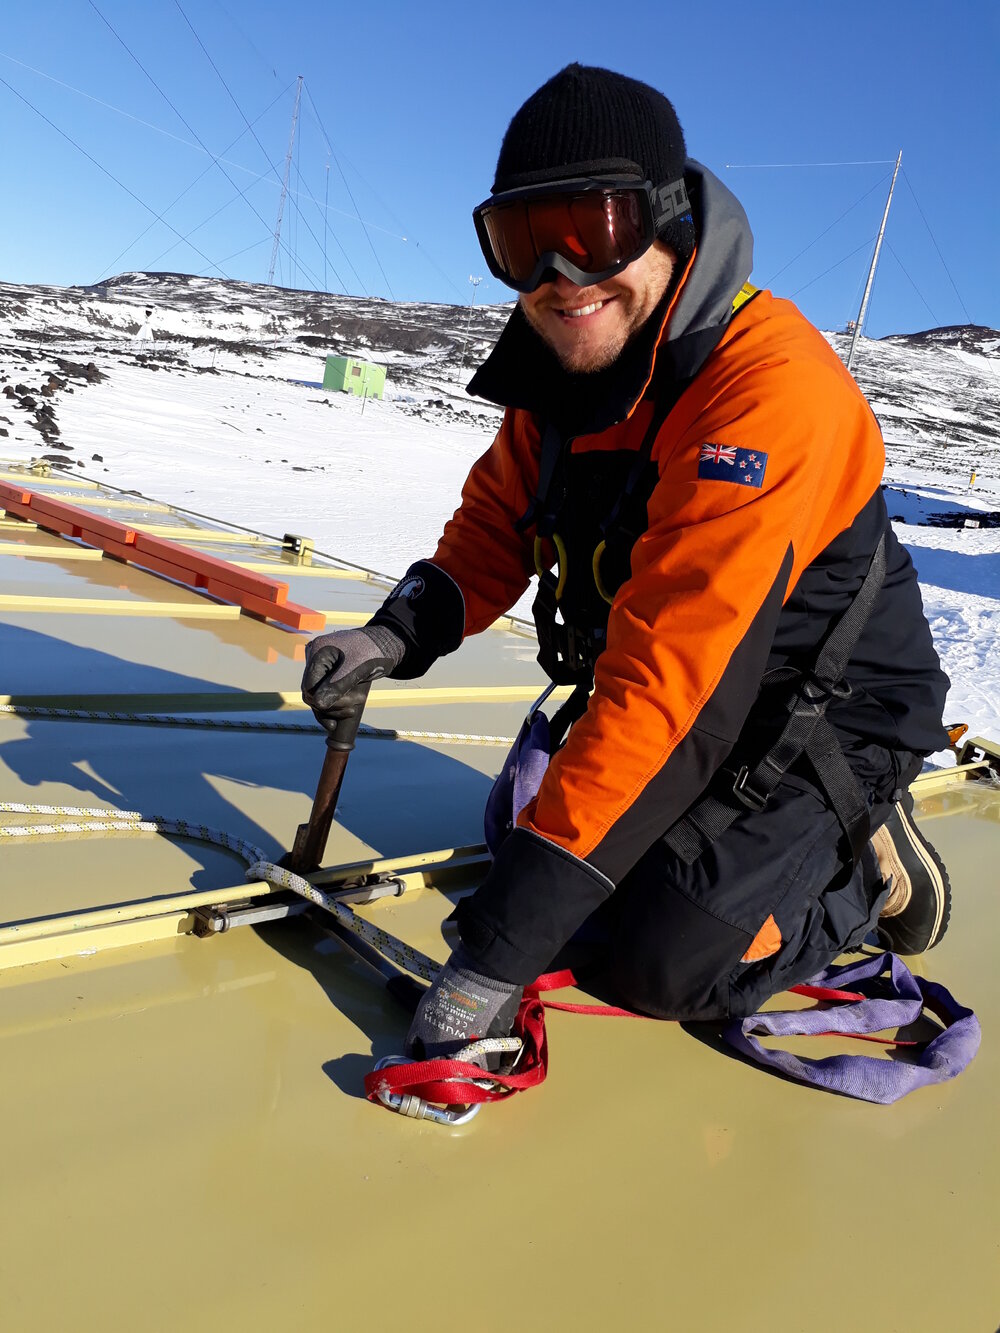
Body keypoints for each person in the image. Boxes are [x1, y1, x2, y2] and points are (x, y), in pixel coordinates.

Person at [301, 64, 951, 1060]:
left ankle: (864, 867)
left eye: (593, 229)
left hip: (822, 716)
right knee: (539, 860)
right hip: (697, 705)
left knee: (657, 962)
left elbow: (675, 685)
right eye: (522, 243)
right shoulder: (563, 375)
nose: (561, 275)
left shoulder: (768, 386)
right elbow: (492, 528)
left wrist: (492, 957)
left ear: (665, 217)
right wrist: (394, 631)